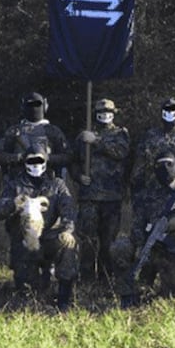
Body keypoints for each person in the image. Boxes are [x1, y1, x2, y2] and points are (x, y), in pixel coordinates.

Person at [110, 150, 175, 308]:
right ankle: (127, 293)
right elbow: (137, 224)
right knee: (120, 248)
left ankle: (169, 288)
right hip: (151, 249)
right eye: (159, 165)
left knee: (172, 299)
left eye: (169, 164)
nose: (164, 168)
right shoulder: (147, 195)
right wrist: (138, 246)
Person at [0, 144, 79, 311]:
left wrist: (68, 230)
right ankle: (33, 291)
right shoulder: (15, 185)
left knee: (69, 245)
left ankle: (64, 299)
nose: (35, 164)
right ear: (25, 162)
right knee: (28, 294)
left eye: (39, 160)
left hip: (50, 238)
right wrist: (12, 204)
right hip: (24, 241)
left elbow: (68, 208)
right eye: (31, 161)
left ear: (46, 162)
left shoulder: (57, 184)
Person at [71, 98, 130, 281]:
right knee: (88, 240)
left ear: (114, 114)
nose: (105, 115)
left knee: (108, 241)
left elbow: (122, 153)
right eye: (101, 112)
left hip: (111, 197)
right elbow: (73, 161)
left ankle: (106, 278)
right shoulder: (83, 137)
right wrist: (79, 177)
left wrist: (97, 141)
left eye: (109, 112)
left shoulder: (121, 134)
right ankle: (86, 278)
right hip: (89, 197)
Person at [0, 92, 70, 181]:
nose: (34, 108)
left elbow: (67, 156)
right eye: (30, 105)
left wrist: (47, 158)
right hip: (18, 181)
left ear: (45, 106)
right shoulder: (14, 131)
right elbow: (0, 155)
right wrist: (19, 157)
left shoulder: (53, 131)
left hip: (48, 180)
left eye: (37, 104)